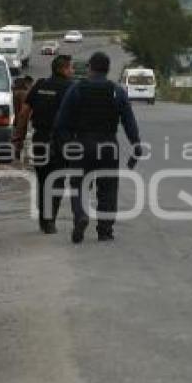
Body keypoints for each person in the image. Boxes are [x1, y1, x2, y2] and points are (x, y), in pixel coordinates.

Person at [54, 52, 141, 243]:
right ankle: (105, 230)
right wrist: (136, 146)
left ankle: (81, 216)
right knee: (108, 187)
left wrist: (67, 145)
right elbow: (129, 122)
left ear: (90, 68)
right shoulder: (117, 91)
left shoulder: (77, 89)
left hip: (82, 144)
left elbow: (61, 122)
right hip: (109, 145)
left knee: (78, 185)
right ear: (108, 69)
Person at [12, 55, 75, 234]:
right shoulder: (71, 88)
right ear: (63, 69)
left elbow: (24, 113)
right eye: (70, 68)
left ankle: (43, 216)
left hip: (39, 139)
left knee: (43, 179)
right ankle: (49, 220)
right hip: (61, 141)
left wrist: (19, 138)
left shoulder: (39, 85)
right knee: (57, 180)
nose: (72, 71)